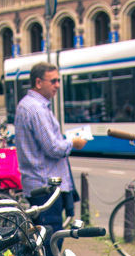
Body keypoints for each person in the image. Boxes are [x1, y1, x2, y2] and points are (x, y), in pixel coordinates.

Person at [14, 61, 88, 238]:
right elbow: (53, 148)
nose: (57, 85)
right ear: (39, 82)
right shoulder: (36, 109)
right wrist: (73, 143)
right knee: (49, 243)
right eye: (53, 81)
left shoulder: (28, 105)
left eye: (58, 80)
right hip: (44, 185)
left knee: (42, 242)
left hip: (39, 184)